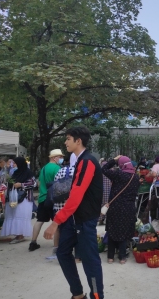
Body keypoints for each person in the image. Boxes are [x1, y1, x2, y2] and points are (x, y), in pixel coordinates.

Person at [43, 126, 104, 299]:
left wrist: (56, 222)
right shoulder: (77, 161)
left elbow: (76, 196)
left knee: (90, 263)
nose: (65, 142)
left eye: (68, 138)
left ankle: (97, 296)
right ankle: (77, 294)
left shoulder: (87, 162)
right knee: (62, 253)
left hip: (85, 220)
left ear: (78, 141)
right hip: (74, 218)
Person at [102, 155, 140, 264]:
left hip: (115, 206)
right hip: (128, 207)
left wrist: (113, 160)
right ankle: (122, 257)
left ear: (121, 165)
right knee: (123, 231)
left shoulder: (118, 174)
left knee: (112, 230)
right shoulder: (136, 177)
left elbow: (103, 169)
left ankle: (110, 257)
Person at [29, 149, 64, 252]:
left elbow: (39, 183)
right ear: (54, 157)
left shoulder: (43, 168)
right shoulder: (57, 168)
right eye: (60, 157)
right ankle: (56, 247)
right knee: (56, 223)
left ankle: (33, 242)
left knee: (39, 220)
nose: (61, 159)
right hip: (52, 199)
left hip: (42, 198)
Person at [48, 153, 78, 261]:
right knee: (74, 231)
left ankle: (58, 250)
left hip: (59, 206)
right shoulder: (77, 171)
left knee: (60, 229)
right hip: (71, 207)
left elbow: (55, 185)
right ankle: (76, 255)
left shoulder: (61, 170)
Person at [1, 157, 37, 244]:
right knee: (14, 215)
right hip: (14, 197)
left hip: (24, 198)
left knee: (20, 215)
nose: (14, 165)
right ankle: (18, 235)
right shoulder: (16, 172)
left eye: (15, 163)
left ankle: (20, 235)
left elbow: (34, 183)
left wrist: (21, 184)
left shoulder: (28, 173)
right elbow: (13, 181)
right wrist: (8, 181)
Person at [99, 159, 112, 225]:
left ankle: (101, 219)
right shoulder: (110, 172)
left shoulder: (99, 172)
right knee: (108, 205)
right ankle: (107, 220)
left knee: (102, 204)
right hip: (109, 191)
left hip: (101, 192)